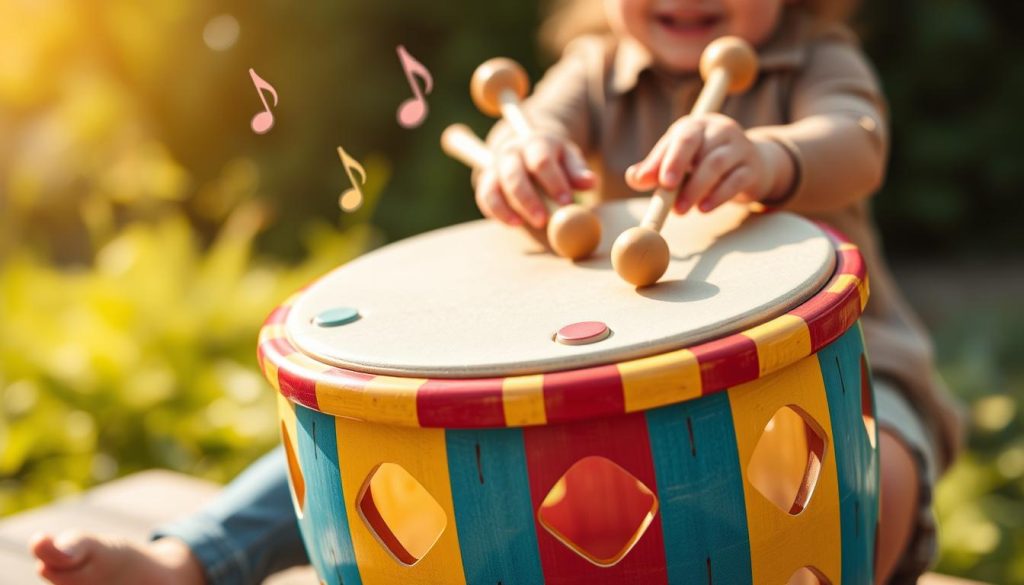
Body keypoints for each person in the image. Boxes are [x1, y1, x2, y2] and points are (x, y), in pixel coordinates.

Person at [30, 0, 963, 583]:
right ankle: (188, 558)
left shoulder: (819, 61)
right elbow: (532, 132)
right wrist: (519, 165)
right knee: (377, 440)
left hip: (843, 371)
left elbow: (858, 142)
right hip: (620, 368)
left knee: (866, 494)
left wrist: (766, 155)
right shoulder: (591, 74)